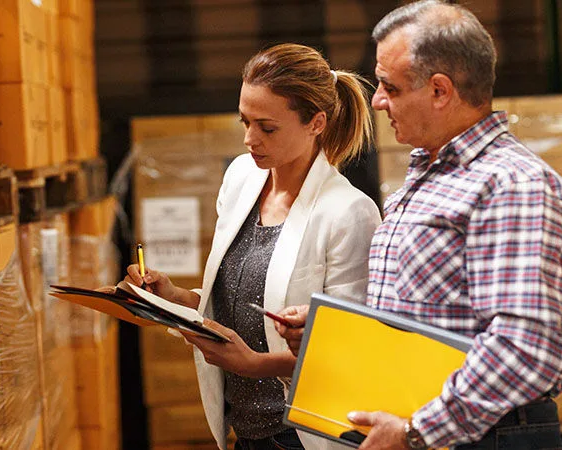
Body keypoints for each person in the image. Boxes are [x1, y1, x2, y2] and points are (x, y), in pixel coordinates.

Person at [275, 2, 562, 449]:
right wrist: (338, 330)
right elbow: (429, 313)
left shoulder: (511, 186)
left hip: (481, 435)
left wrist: (415, 430)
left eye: (389, 87)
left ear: (441, 90)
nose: (377, 101)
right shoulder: (430, 179)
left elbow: (523, 346)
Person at [126, 43, 381, 450]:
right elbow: (237, 306)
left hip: (300, 435)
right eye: (244, 121)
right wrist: (174, 298)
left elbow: (353, 347)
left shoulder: (349, 212)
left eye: (267, 127)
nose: (249, 139)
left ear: (316, 123)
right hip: (242, 430)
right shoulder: (242, 179)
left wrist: (256, 365)